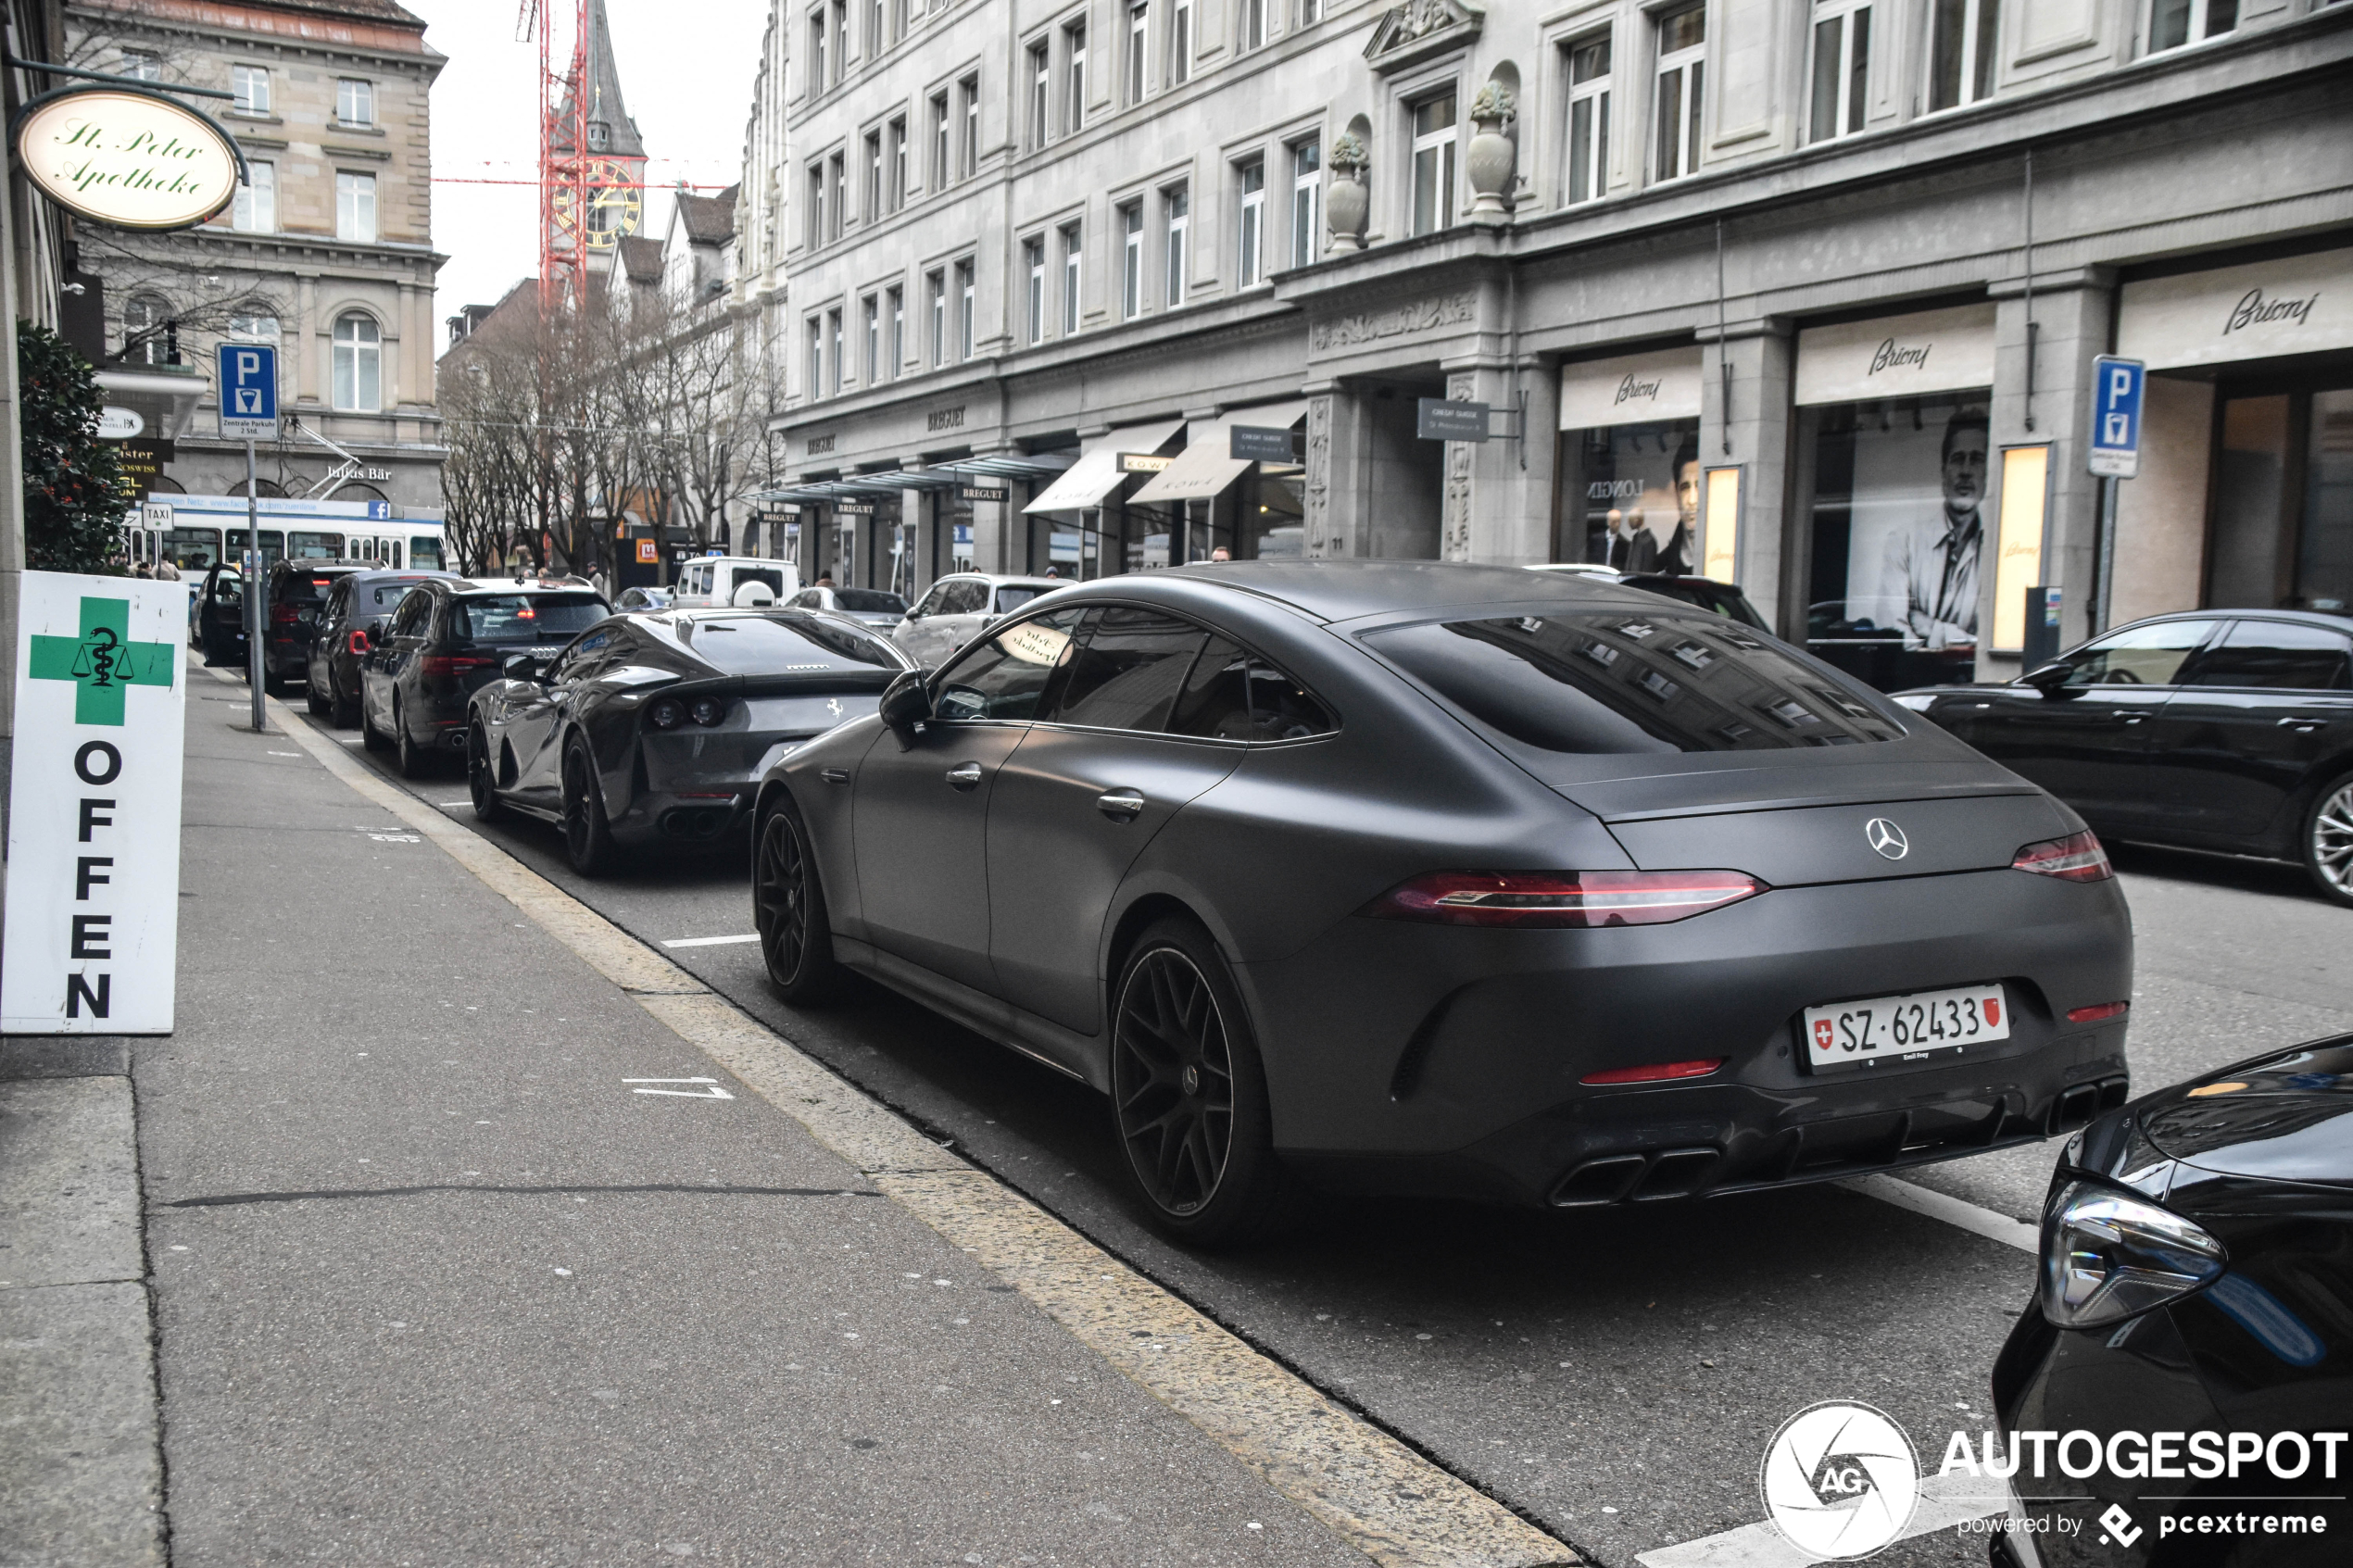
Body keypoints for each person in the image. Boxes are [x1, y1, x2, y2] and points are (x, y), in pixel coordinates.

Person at [1880, 408, 1988, 649]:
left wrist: (1933, 628)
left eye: (1977, 460)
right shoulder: (1904, 540)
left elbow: (1986, 643)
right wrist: (1960, 638)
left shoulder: (1996, 551)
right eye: (1958, 459)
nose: (1966, 471)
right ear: (1943, 472)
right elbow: (1894, 634)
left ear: (1988, 474)